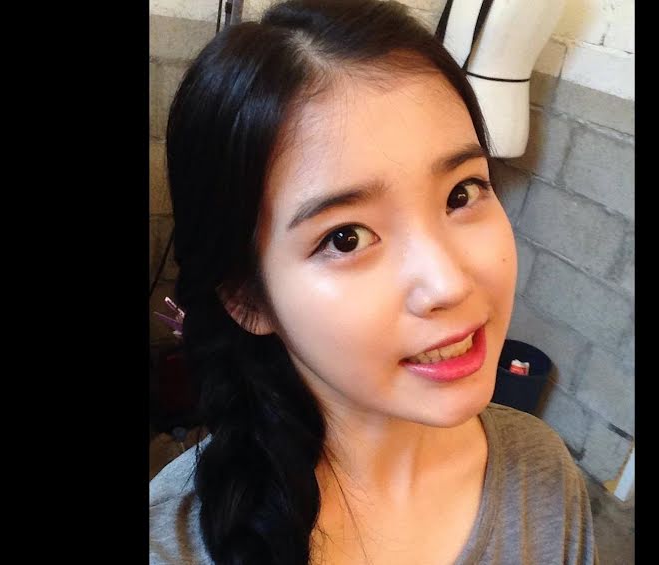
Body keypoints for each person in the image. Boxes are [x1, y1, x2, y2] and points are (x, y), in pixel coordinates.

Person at [149, 1, 599, 563]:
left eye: (461, 193)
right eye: (345, 238)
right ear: (247, 299)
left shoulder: (543, 476)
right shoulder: (170, 546)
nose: (448, 285)